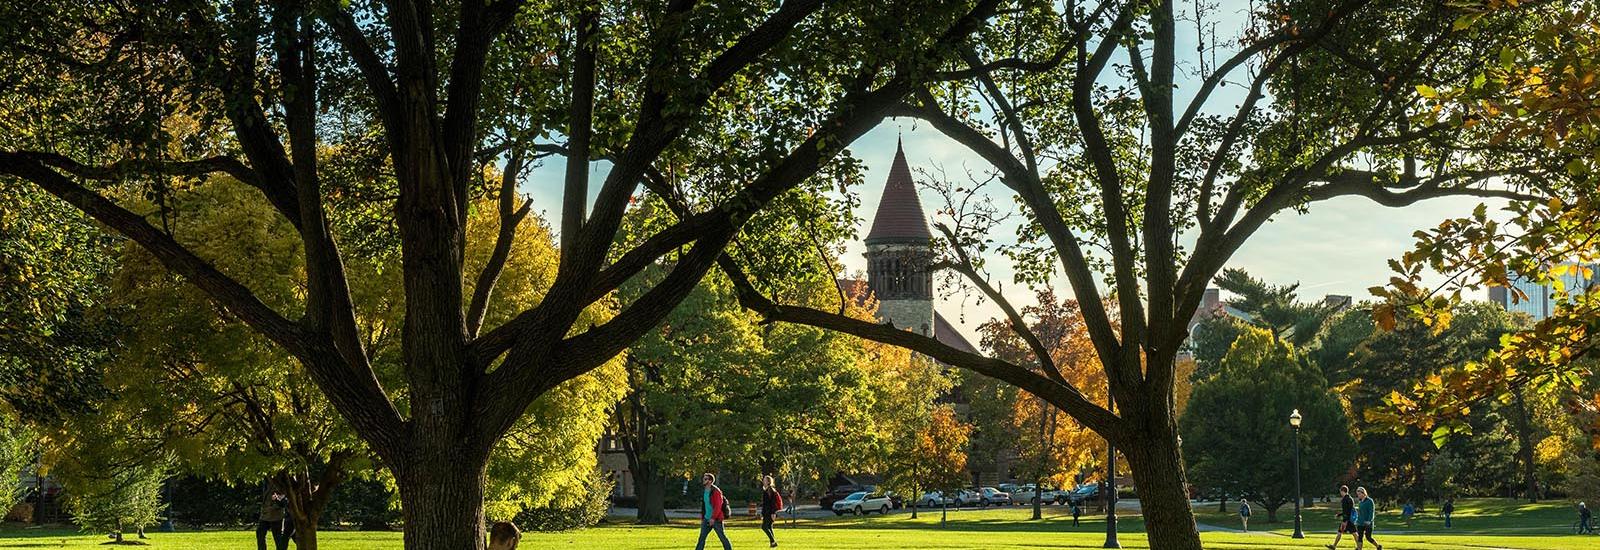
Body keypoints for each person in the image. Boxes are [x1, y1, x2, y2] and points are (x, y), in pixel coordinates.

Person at [696, 473, 732, 550]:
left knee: (722, 537)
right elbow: (704, 506)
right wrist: (703, 517)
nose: (703, 480)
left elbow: (718, 506)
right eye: (703, 478)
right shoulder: (705, 490)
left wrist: (713, 518)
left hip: (716, 519)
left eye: (706, 479)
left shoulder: (716, 491)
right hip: (706, 519)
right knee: (701, 538)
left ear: (710, 481)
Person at [256, 485, 289, 550]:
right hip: (265, 513)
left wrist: (277, 500)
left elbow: (283, 501)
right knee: (260, 533)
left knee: (278, 537)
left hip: (276, 514)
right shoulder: (266, 481)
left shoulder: (280, 482)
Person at [1327, 485, 1354, 549]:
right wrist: (1339, 515)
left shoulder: (1345, 499)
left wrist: (1345, 521)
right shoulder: (1350, 498)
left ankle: (1359, 547)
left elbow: (1347, 511)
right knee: (1351, 533)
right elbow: (1348, 511)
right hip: (1349, 519)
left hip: (1346, 520)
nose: (1340, 493)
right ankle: (1334, 546)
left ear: (1342, 491)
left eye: (1340, 492)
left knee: (1353, 533)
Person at [759, 475, 783, 548]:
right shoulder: (767, 490)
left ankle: (773, 541)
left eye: (765, 480)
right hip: (767, 512)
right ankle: (772, 544)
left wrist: (773, 513)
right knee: (769, 527)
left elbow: (772, 503)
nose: (763, 481)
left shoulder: (770, 490)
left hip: (769, 512)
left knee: (764, 527)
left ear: (768, 482)